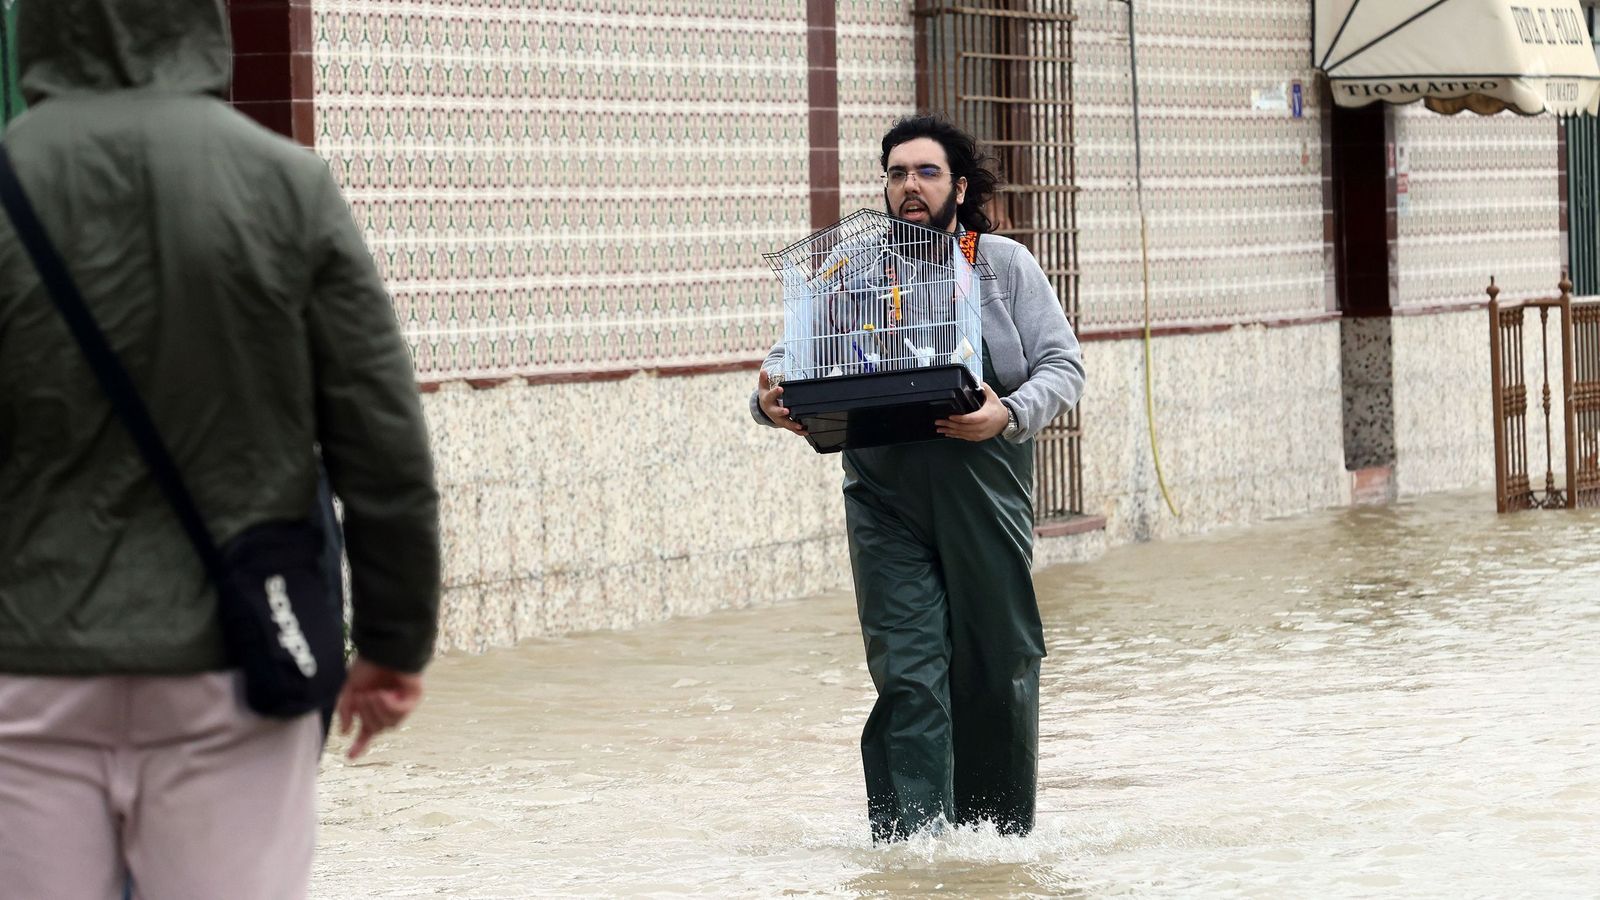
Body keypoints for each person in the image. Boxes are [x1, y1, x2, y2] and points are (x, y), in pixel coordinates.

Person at [0, 1, 441, 897]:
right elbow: (380, 439)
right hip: (234, 662)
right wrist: (393, 641)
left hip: (24, 663)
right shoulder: (285, 185)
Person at [750, 115, 1085, 841]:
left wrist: (1007, 413)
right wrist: (769, 397)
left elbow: (1064, 366)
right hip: (884, 501)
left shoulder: (1002, 266)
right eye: (898, 173)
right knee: (907, 670)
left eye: (927, 172)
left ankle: (994, 843)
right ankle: (913, 849)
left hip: (983, 493)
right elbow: (788, 357)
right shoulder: (853, 272)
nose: (910, 185)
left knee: (997, 662)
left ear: (959, 188)